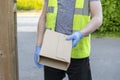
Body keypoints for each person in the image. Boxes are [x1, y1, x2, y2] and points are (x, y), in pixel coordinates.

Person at [34, 0, 103, 80]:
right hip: (53, 48)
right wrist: (38, 46)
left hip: (77, 52)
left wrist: (80, 34)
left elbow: (98, 17)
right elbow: (43, 17)